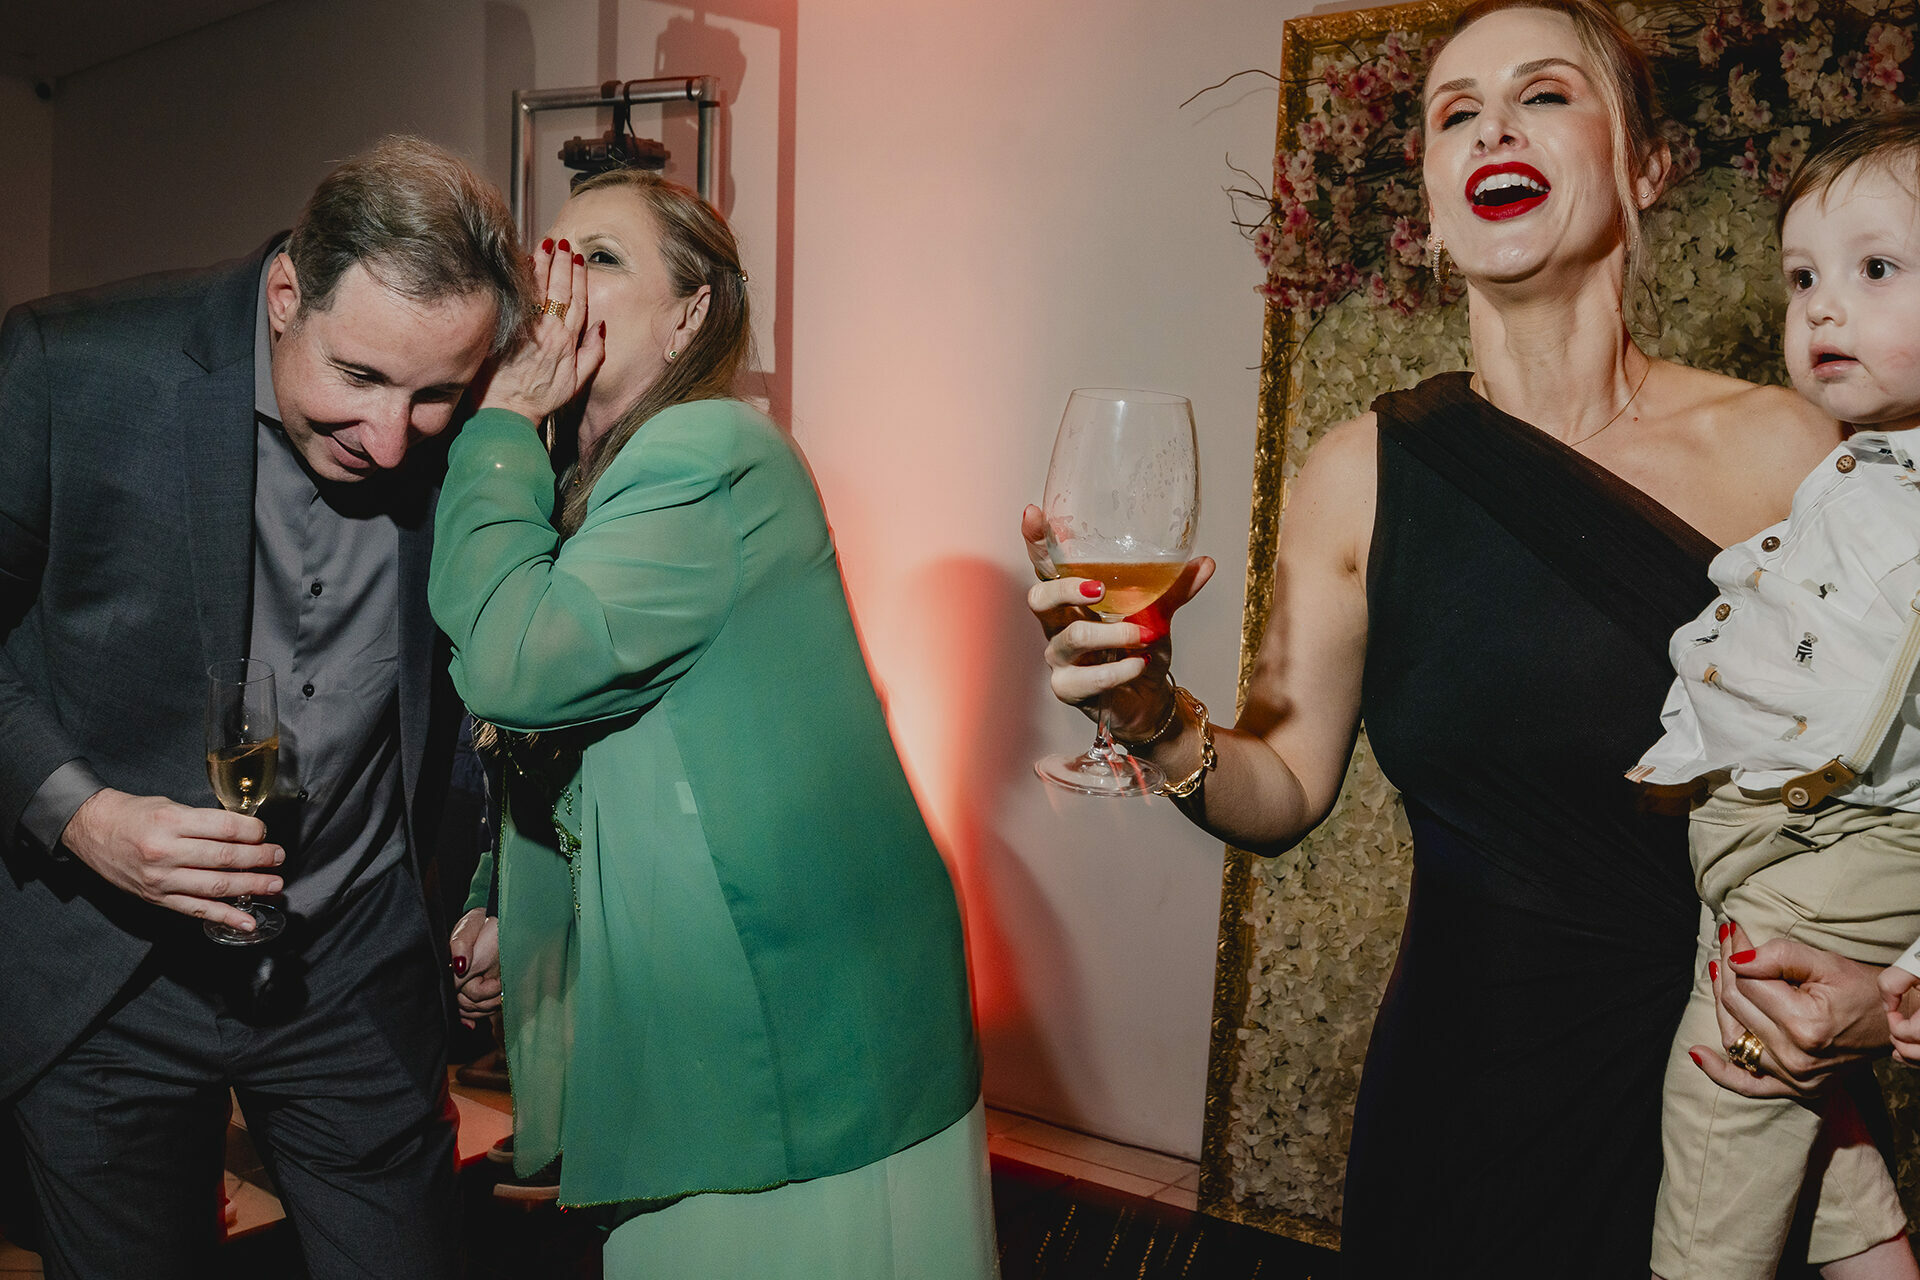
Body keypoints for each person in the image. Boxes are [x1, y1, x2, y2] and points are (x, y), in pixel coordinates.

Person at [1027, 1, 1908, 1273]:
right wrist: (1151, 716)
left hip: (1737, 1092)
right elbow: (1282, 788)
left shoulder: (1794, 451)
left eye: (1544, 94)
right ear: (1434, 201)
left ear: (1648, 165)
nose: (1494, 126)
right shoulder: (1361, 472)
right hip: (1460, 1104)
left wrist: (1885, 1003)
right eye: (1456, 113)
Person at [430, 169, 996, 1279]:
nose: (558, 284)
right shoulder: (590, 480)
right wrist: (507, 906)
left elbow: (515, 666)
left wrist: (497, 423)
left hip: (789, 1012)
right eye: (554, 256)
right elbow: (574, 744)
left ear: (690, 314)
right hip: (727, 989)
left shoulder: (706, 451)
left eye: (601, 258)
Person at [0, 135, 527, 1279]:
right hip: (109, 975)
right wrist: (83, 816)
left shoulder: (486, 423)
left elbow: (501, 680)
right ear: (286, 294)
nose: (390, 438)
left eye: (435, 395)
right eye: (360, 377)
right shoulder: (70, 367)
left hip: (356, 972)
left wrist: (496, 894)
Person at [1631, 107, 1920, 1280]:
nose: (1823, 308)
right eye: (1804, 277)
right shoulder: (1862, 467)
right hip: (1775, 836)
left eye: (1876, 268)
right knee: (1798, 1103)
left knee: (1724, 1108)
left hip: (1853, 845)